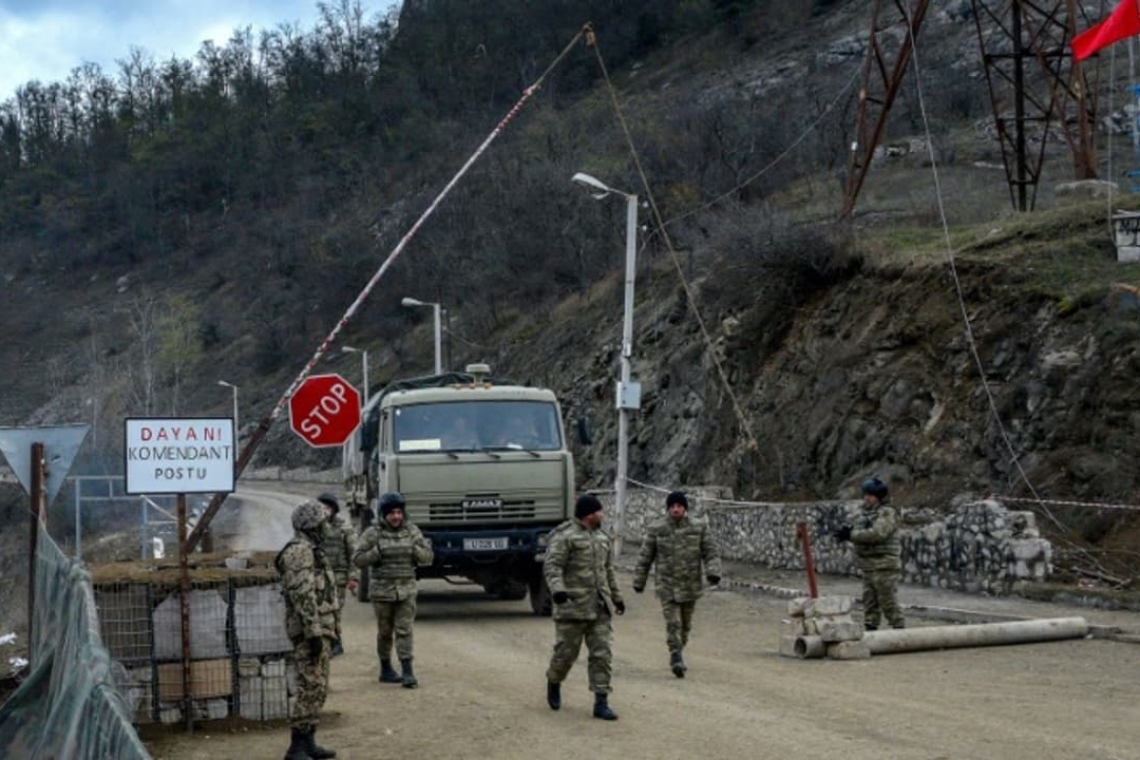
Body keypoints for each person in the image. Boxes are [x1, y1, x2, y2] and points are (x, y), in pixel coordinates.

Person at [543, 494, 625, 721]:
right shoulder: (564, 537)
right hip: (572, 606)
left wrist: (617, 598)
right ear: (590, 514)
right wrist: (558, 591)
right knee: (566, 654)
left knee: (602, 655)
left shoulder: (602, 538)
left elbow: (608, 571)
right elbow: (553, 567)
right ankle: (554, 680)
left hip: (599, 607)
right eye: (600, 511)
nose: (603, 514)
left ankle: (601, 702)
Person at [632, 490, 722, 678]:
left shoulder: (699, 527)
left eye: (679, 506)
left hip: (690, 585)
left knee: (685, 626)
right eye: (672, 506)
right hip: (667, 586)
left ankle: (679, 648)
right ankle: (676, 656)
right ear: (668, 508)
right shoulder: (657, 528)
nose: (675, 509)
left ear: (685, 508)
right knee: (673, 623)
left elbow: (710, 551)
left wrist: (713, 572)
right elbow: (645, 556)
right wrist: (639, 580)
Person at [275, 500, 338, 760]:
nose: (327, 527)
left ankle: (308, 741)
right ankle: (297, 747)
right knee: (309, 685)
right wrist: (312, 632)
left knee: (317, 687)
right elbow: (303, 595)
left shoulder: (311, 549)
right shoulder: (300, 552)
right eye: (323, 522)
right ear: (312, 525)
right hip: (308, 632)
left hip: (320, 629)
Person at [352, 491, 434, 688]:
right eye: (391, 513)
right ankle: (386, 668)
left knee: (405, 630)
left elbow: (428, 557)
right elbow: (357, 559)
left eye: (399, 512)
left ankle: (407, 671)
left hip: (406, 590)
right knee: (385, 632)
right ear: (383, 515)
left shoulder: (412, 531)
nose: (396, 517)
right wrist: (375, 553)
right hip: (382, 592)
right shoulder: (373, 533)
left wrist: (417, 551)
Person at [834, 477, 905, 630]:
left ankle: (899, 629)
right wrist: (847, 533)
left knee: (887, 600)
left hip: (884, 564)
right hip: (869, 565)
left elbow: (877, 534)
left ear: (878, 496)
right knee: (869, 601)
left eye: (870, 495)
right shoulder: (865, 514)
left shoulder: (888, 513)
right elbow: (861, 532)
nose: (866, 498)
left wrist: (852, 535)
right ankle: (871, 628)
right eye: (865, 494)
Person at [316, 492, 358, 657]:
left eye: (328, 507)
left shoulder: (343, 527)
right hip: (318, 576)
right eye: (322, 507)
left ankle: (336, 642)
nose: (325, 511)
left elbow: (353, 553)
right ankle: (324, 641)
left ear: (334, 509)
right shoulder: (314, 527)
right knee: (320, 610)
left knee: (335, 611)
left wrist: (353, 577)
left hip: (338, 577)